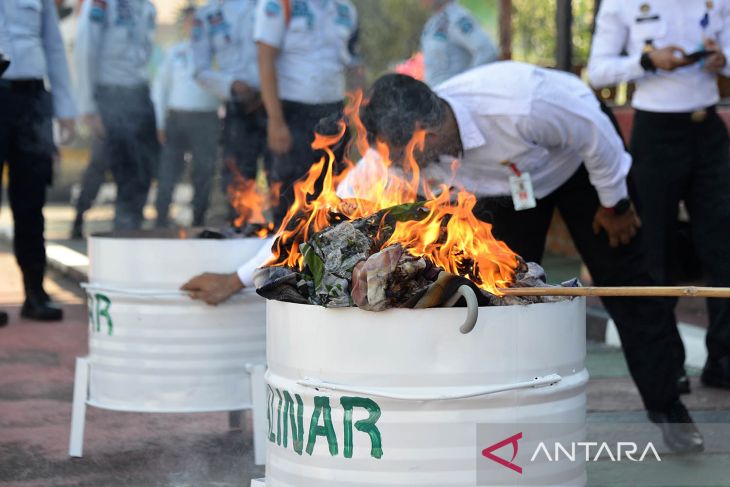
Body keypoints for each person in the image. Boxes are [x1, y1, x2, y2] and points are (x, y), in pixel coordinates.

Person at [354, 65, 704, 453]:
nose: (396, 166)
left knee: (626, 281)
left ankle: (669, 406)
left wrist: (615, 203)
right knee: (501, 299)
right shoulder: (406, 142)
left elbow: (595, 135)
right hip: (507, 191)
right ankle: (508, 422)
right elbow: (356, 184)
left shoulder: (521, 104)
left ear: (428, 134)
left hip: (579, 167)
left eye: (401, 157)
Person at [587, 0, 730, 393]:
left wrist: (723, 59)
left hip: (707, 127)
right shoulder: (621, 4)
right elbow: (597, 71)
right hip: (655, 131)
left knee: (723, 245)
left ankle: (724, 357)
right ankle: (668, 367)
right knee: (656, 250)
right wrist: (648, 62)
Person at [0, 0, 77, 321]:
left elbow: (54, 46)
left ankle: (35, 293)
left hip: (32, 99)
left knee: (32, 201)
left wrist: (66, 110)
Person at [254, 0, 361, 225]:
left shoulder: (345, 9)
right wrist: (275, 121)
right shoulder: (278, 4)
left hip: (334, 115)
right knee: (291, 200)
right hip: (292, 114)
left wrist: (357, 114)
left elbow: (352, 64)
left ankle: (323, 257)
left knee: (333, 198)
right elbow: (265, 60)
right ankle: (283, 256)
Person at [75, 0, 159, 231]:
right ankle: (113, 226)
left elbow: (146, 56)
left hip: (140, 93)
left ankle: (131, 227)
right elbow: (85, 50)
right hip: (110, 92)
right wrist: (89, 107)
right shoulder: (102, 3)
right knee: (115, 167)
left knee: (144, 169)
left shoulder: (148, 8)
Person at [191, 0, 263, 224]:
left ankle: (285, 242)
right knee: (237, 178)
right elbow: (198, 71)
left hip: (276, 103)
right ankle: (240, 230)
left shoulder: (272, 6)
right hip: (237, 108)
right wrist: (232, 84)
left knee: (286, 177)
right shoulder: (207, 15)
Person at [154, 6, 220, 228]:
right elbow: (160, 88)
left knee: (204, 171)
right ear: (184, 25)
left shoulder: (216, 54)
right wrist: (160, 123)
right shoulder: (174, 52)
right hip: (177, 119)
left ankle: (198, 219)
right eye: (191, 22)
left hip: (207, 119)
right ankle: (161, 218)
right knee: (169, 170)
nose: (195, 27)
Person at [420, 0, 497, 87]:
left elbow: (487, 51)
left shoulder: (457, 18)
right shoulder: (433, 23)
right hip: (438, 96)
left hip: (454, 97)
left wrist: (466, 85)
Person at [70, 138, 108, 239]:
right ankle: (78, 221)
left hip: (126, 139)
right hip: (105, 138)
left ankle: (128, 225)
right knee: (91, 181)